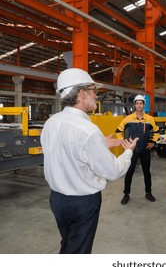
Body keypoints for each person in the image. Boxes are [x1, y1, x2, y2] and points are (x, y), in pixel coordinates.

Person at [41, 68, 138, 254]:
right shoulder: (88, 130)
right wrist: (128, 152)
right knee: (79, 252)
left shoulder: (51, 123)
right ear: (82, 93)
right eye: (94, 90)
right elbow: (113, 171)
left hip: (57, 200)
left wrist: (102, 144)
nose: (96, 95)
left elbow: (65, 153)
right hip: (82, 203)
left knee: (68, 244)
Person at [116, 94, 160, 205]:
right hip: (132, 150)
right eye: (137, 103)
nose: (139, 105)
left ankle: (148, 192)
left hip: (145, 149)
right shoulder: (128, 118)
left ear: (144, 105)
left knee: (147, 172)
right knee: (129, 172)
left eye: (141, 103)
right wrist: (124, 143)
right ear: (135, 105)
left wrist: (153, 142)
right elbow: (118, 131)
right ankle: (126, 194)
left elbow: (156, 131)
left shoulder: (150, 119)